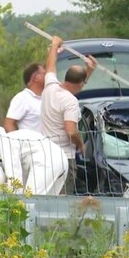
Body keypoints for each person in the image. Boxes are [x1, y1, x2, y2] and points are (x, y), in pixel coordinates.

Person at [40, 36, 97, 195]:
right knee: (62, 199)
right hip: (64, 157)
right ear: (80, 84)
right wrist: (80, 145)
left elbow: (50, 65)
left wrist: (54, 45)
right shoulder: (70, 102)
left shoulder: (50, 86)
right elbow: (71, 131)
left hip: (45, 154)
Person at [0, 126, 69, 195]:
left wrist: (12, 201)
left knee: (30, 201)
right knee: (47, 207)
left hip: (46, 163)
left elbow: (14, 176)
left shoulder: (5, 143)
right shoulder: (17, 135)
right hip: (62, 160)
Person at [4, 63, 46, 133]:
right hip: (32, 143)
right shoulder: (22, 98)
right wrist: (17, 142)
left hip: (50, 143)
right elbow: (9, 124)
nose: (47, 76)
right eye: (44, 73)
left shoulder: (46, 97)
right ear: (35, 77)